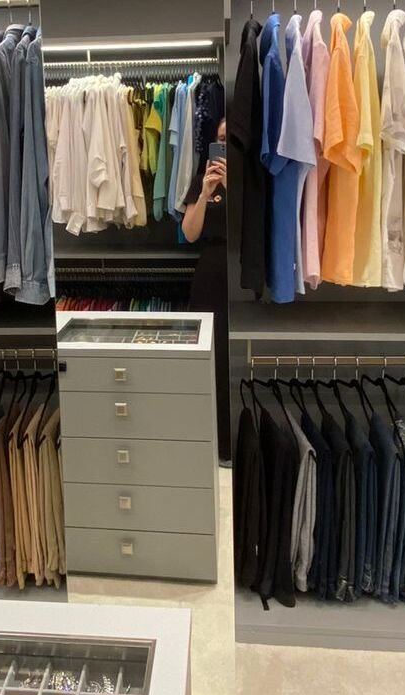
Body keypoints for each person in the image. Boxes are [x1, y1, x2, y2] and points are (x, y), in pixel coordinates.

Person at [182, 119, 231, 463]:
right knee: (208, 358)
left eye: (229, 140)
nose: (223, 145)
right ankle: (206, 443)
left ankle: (229, 444)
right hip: (209, 272)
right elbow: (190, 233)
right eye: (219, 138)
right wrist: (203, 193)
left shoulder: (248, 180)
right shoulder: (202, 179)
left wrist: (231, 185)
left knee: (232, 359)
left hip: (238, 274)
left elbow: (250, 228)